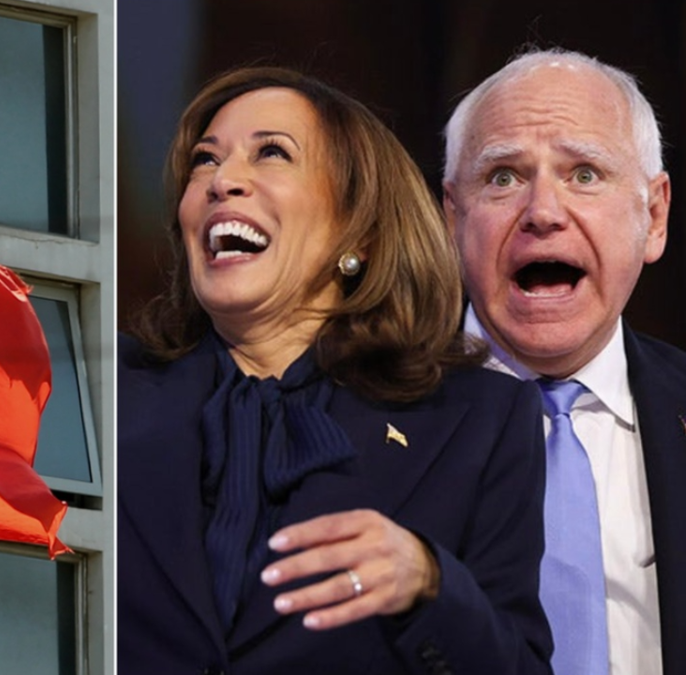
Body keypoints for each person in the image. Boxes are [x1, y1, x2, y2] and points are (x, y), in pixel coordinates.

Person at [119, 66, 552, 674]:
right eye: (204, 161)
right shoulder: (105, 392)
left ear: (362, 232)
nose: (222, 181)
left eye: (271, 153)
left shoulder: (479, 419)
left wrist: (430, 585)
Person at [443, 48, 686, 675]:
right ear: (451, 217)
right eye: (503, 176)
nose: (543, 212)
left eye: (584, 173)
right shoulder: (359, 411)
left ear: (653, 216)